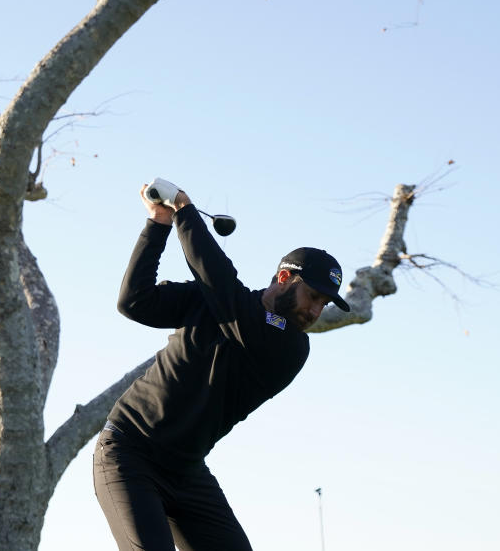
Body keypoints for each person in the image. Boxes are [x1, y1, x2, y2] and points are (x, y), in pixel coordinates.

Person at [93, 182, 351, 551]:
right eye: (313, 296)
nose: (314, 311)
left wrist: (185, 209)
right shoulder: (214, 301)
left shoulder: (291, 347)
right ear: (283, 279)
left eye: (324, 304)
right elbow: (135, 301)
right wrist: (158, 225)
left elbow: (222, 286)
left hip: (187, 472)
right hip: (129, 452)